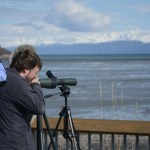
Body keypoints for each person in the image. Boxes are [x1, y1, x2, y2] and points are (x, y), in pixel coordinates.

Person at [0, 44, 45, 150]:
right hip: (15, 144)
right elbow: (39, 107)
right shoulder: (16, 82)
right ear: (25, 69)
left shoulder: (5, 76)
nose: (36, 76)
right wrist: (36, 85)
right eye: (35, 72)